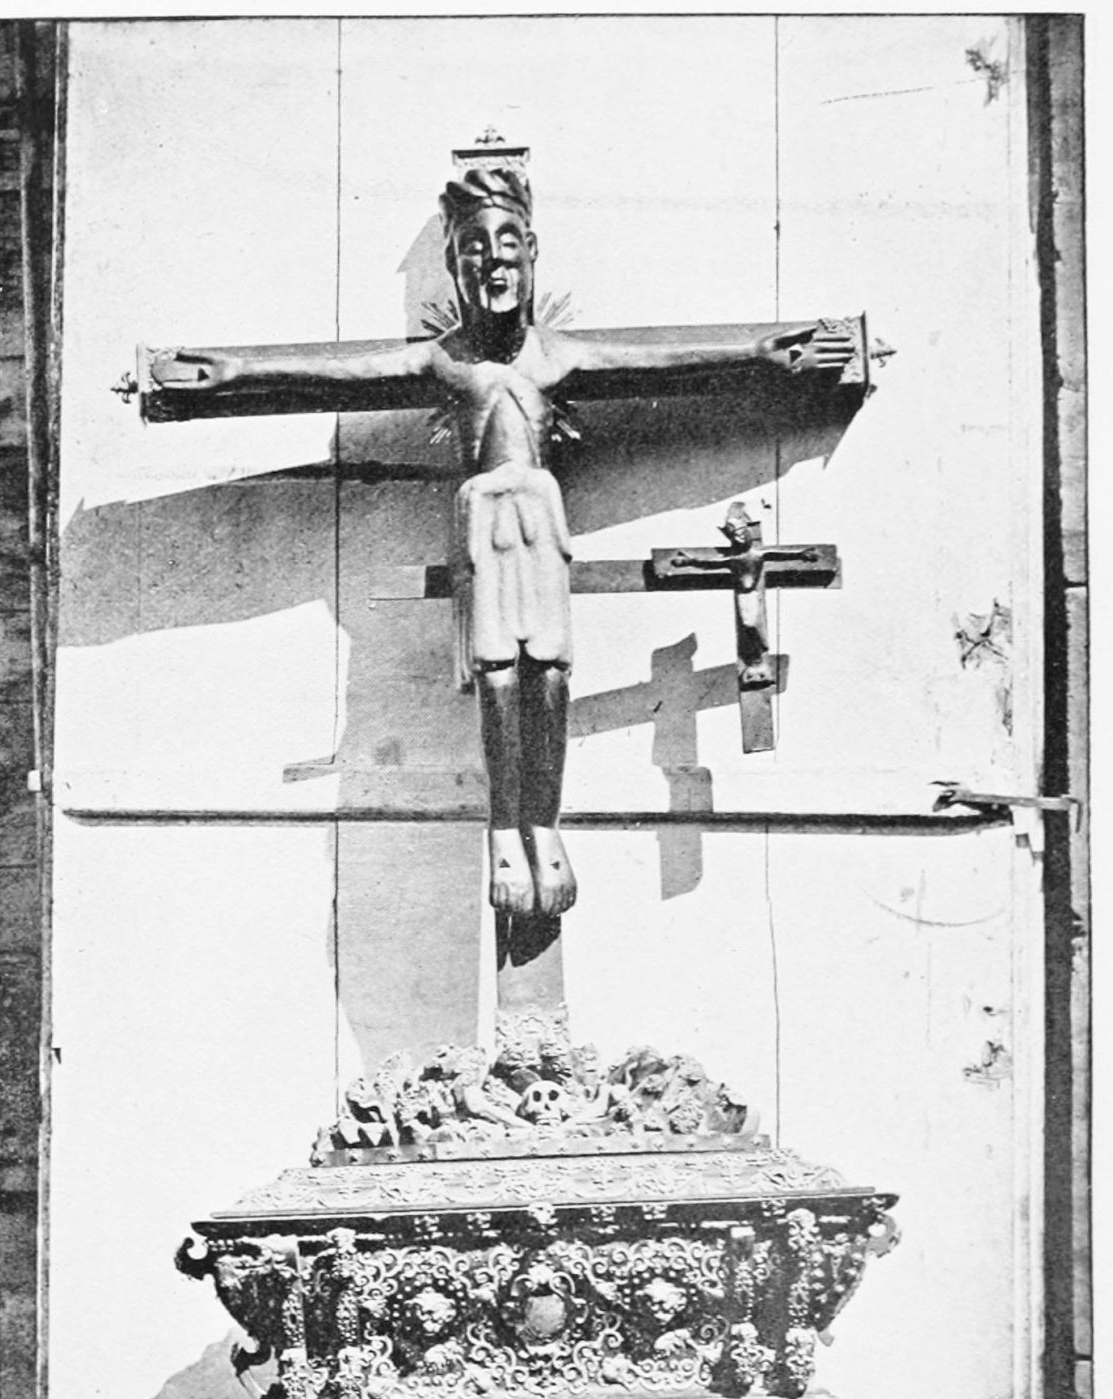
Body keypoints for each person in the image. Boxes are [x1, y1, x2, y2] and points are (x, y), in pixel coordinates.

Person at [154, 166, 853, 918]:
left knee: (547, 675)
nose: (493, 264)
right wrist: (235, 372)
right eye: (473, 251)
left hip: (539, 516)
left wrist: (760, 353)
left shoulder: (558, 356)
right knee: (496, 676)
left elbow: (666, 358)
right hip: (483, 521)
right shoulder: (444, 360)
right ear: (454, 267)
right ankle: (503, 826)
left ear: (532, 255)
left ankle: (542, 824)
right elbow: (337, 373)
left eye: (507, 246)